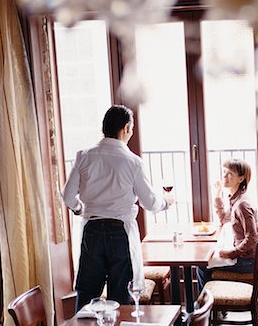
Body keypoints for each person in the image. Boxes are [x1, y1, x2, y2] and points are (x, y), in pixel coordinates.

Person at [62, 105, 174, 310]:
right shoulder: (133, 162)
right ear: (125, 128)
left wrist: (79, 209)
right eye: (131, 129)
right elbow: (149, 202)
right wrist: (166, 202)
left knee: (87, 293)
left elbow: (68, 196)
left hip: (92, 229)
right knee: (120, 295)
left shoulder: (83, 156)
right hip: (119, 231)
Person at [196, 158, 258, 294]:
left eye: (230, 173)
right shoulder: (237, 198)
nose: (224, 176)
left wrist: (233, 253)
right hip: (242, 253)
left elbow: (252, 238)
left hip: (247, 261)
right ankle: (214, 305)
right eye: (224, 172)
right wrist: (217, 195)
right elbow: (224, 220)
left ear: (241, 178)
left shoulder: (242, 204)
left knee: (202, 266)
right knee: (207, 258)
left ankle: (205, 307)